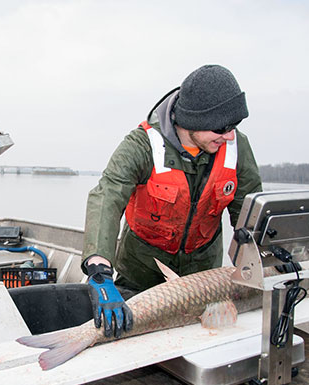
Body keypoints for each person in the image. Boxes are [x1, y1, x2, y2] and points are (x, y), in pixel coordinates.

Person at [82, 64, 262, 338]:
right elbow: (107, 195)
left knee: (200, 342)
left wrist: (261, 257)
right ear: (193, 120)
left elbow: (249, 213)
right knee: (125, 338)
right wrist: (99, 268)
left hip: (201, 278)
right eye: (221, 127)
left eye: (234, 126)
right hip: (141, 272)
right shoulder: (141, 145)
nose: (229, 135)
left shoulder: (236, 147)